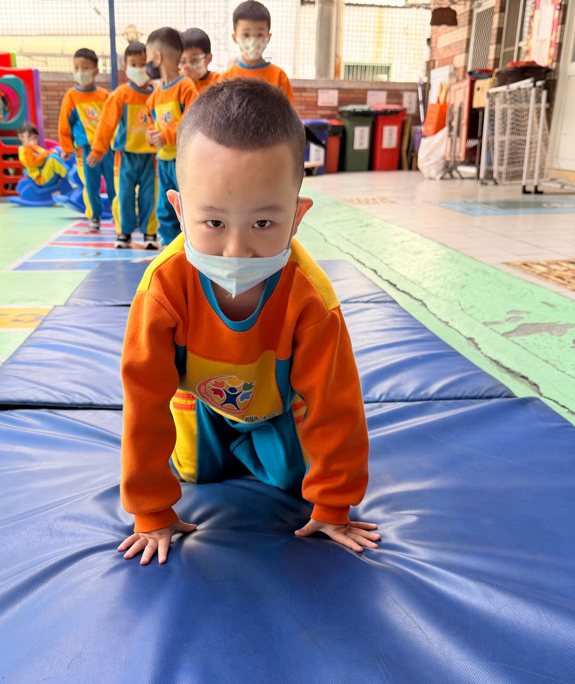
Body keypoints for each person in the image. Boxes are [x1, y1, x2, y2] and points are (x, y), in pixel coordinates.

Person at [117, 78, 379, 566]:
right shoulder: (163, 290)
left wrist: (333, 504)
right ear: (179, 211)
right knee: (192, 471)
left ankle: (262, 447)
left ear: (296, 217)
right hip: (201, 408)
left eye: (263, 224)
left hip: (277, 410)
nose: (236, 250)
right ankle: (228, 446)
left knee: (295, 479)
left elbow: (335, 403)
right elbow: (144, 401)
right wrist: (150, 510)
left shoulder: (310, 299)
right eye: (214, 223)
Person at [87, 41, 159, 250]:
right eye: (133, 64)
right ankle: (124, 233)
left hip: (151, 157)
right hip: (125, 157)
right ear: (126, 67)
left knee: (150, 196)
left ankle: (150, 233)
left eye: (143, 64)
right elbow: (106, 124)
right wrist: (98, 149)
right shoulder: (120, 95)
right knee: (124, 195)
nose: (138, 68)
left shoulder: (157, 94)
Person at [144, 27, 198, 247]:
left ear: (157, 58)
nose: (147, 63)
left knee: (187, 204)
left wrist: (165, 136)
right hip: (163, 160)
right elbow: (151, 121)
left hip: (183, 162)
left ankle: (191, 245)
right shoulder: (155, 95)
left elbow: (192, 122)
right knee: (165, 206)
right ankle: (169, 246)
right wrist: (151, 135)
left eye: (148, 57)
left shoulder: (185, 86)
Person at [59, 48, 115, 233]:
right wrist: (66, 147)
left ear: (95, 70)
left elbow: (113, 121)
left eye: (85, 67)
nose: (80, 71)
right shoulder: (71, 96)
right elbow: (65, 123)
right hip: (85, 149)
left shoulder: (104, 95)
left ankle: (117, 214)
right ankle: (94, 216)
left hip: (107, 148)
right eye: (76, 67)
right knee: (91, 185)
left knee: (113, 183)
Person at [223, 1, 295, 104]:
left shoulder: (279, 77)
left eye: (259, 34)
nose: (253, 41)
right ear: (235, 38)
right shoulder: (226, 79)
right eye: (246, 35)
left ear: (268, 37)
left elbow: (289, 112)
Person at [180, 28, 221, 94]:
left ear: (208, 58)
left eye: (194, 60)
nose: (188, 66)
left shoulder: (218, 82)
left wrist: (195, 83)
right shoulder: (177, 80)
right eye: (183, 62)